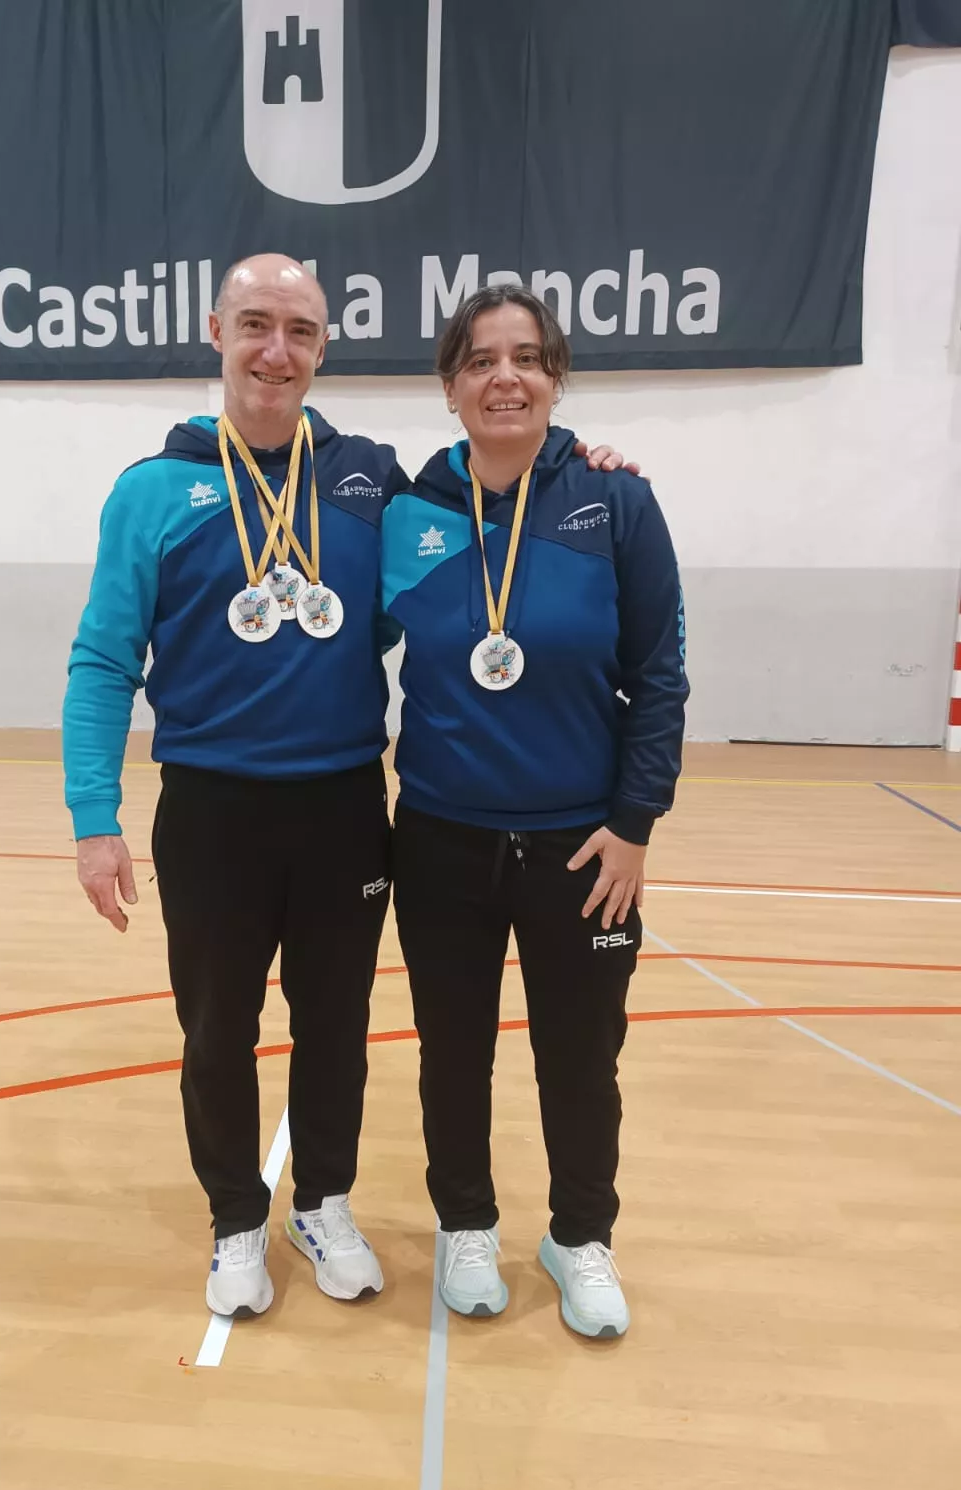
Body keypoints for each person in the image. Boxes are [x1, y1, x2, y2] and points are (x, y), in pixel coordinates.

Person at [62, 255, 635, 1320]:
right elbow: (102, 662)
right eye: (256, 326)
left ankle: (319, 1198)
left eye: (300, 332)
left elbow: (488, 510)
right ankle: (238, 1216)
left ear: (325, 347)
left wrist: (579, 460)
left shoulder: (376, 483)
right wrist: (93, 820)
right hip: (211, 810)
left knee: (336, 1022)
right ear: (216, 331)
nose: (276, 351)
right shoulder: (152, 492)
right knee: (217, 1025)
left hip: (341, 809)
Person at [381, 284, 688, 1339]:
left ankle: (579, 1236)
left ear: (555, 377)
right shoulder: (409, 511)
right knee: (452, 1046)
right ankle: (466, 1222)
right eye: (479, 359)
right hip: (439, 838)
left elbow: (660, 676)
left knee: (581, 1052)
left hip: (583, 844)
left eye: (525, 357)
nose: (503, 376)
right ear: (451, 384)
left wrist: (637, 820)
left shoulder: (618, 506)